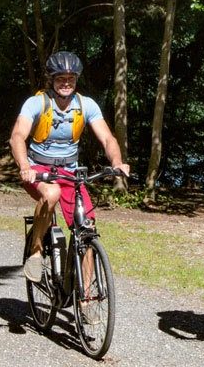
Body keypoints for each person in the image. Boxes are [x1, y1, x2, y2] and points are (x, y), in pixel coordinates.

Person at [10, 51, 130, 290]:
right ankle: (35, 251)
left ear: (76, 80)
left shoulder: (86, 105)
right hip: (38, 169)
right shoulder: (37, 103)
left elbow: (107, 138)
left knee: (87, 229)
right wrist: (25, 167)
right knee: (51, 194)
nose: (66, 84)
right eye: (60, 79)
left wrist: (117, 161)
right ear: (51, 80)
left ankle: (84, 296)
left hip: (69, 173)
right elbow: (17, 136)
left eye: (71, 79)